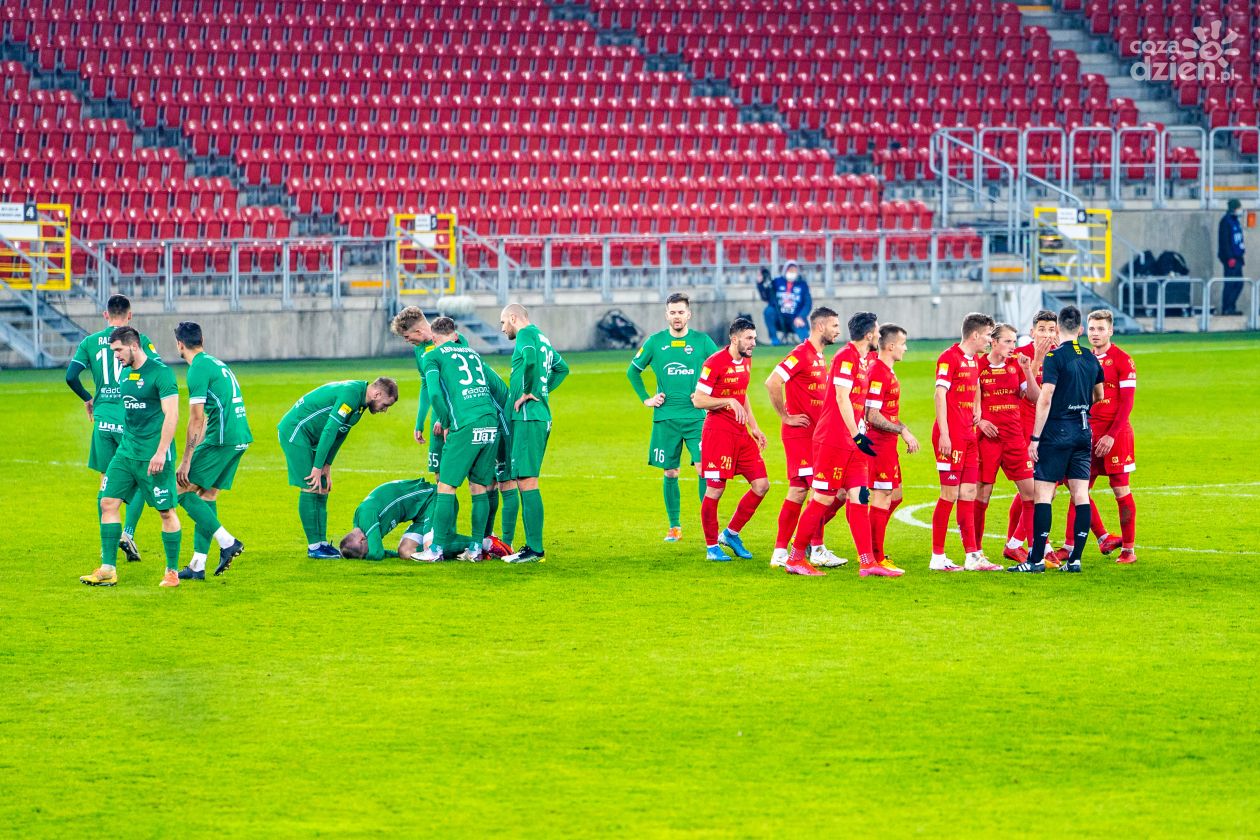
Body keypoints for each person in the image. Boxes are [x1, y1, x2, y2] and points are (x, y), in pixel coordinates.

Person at [787, 311, 894, 578]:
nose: (879, 336)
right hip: (834, 440)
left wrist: (859, 434)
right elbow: (842, 398)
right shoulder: (845, 357)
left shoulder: (861, 360)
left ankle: (868, 562)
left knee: (859, 496)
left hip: (852, 441)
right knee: (822, 497)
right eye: (877, 332)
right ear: (869, 334)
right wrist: (856, 434)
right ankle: (795, 557)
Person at [79, 327, 184, 587]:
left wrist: (161, 451)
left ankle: (172, 572)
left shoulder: (162, 374)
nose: (115, 355)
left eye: (118, 350)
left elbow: (172, 415)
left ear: (133, 346)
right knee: (108, 503)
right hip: (126, 453)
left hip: (154, 456)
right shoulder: (126, 374)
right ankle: (108, 568)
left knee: (166, 512)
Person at [1008, 305, 1105, 573]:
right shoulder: (1090, 357)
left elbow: (1045, 397)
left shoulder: (1055, 358)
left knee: (1043, 495)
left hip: (1056, 432)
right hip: (1084, 431)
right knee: (1080, 494)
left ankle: (1036, 559)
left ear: (1059, 328)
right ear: (1081, 330)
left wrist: (1036, 438)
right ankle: (1075, 561)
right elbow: (1099, 395)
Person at [65, 294, 158, 564]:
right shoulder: (138, 340)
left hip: (103, 418)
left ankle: (106, 543)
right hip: (130, 416)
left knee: (106, 479)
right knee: (141, 475)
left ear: (106, 315)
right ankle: (127, 533)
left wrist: (88, 398)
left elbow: (71, 376)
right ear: (130, 316)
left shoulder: (89, 342)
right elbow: (154, 369)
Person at [626, 292, 719, 541]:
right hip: (666, 418)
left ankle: (708, 525)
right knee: (670, 472)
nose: (677, 316)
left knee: (703, 469)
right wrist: (647, 398)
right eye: (672, 312)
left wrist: (707, 395)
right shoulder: (655, 342)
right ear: (666, 315)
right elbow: (632, 372)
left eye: (681, 312)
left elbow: (721, 368)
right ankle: (675, 526)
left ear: (689, 314)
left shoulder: (702, 341)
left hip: (697, 417)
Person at [417, 317, 509, 563]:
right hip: (490, 421)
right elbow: (497, 386)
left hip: (465, 423)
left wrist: (446, 421)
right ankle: (477, 548)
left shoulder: (432, 357)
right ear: (455, 334)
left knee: (446, 486)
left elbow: (434, 393)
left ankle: (435, 549)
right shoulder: (473, 354)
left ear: (434, 338)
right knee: (480, 486)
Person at [277, 377, 399, 558]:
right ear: (376, 394)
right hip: (296, 432)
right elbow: (330, 430)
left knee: (323, 486)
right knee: (310, 485)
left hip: (312, 437)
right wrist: (317, 467)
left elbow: (341, 433)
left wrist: (327, 465)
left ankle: (322, 543)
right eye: (385, 404)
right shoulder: (350, 394)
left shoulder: (360, 404)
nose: (385, 410)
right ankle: (314, 547)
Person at [764, 307, 848, 569]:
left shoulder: (820, 356)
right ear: (820, 327)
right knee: (823, 489)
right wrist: (785, 416)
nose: (838, 330)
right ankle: (817, 548)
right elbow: (772, 382)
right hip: (800, 434)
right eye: (834, 325)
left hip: (815, 435)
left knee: (799, 491)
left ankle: (781, 551)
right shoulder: (801, 354)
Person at [172, 322, 249, 580]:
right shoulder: (216, 363)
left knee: (179, 490)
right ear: (202, 339)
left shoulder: (197, 370)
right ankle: (197, 564)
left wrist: (186, 461)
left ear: (179, 345)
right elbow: (207, 416)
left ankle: (227, 542)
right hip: (239, 437)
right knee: (207, 495)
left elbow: (196, 419)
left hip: (222, 438)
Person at [930, 312, 1003, 571]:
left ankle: (972, 556)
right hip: (951, 435)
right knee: (949, 494)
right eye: (987, 335)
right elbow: (940, 395)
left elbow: (975, 386)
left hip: (969, 435)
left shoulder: (973, 361)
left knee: (969, 493)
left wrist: (978, 406)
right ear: (974, 335)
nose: (989, 340)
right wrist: (946, 434)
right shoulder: (949, 358)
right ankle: (937, 557)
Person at [692, 317, 769, 562]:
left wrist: (754, 427)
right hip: (718, 433)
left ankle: (731, 533)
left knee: (761, 485)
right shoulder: (714, 363)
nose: (753, 343)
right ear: (734, 339)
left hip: (740, 433)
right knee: (716, 489)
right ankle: (711, 546)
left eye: (754, 338)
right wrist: (727, 401)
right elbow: (699, 400)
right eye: (749, 338)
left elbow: (742, 395)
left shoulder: (746, 360)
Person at [500, 303, 570, 563]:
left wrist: (530, 391)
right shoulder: (542, 337)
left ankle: (535, 549)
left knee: (527, 481)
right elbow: (563, 368)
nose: (503, 328)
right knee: (524, 479)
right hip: (537, 416)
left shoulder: (526, 336)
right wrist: (544, 391)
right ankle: (531, 547)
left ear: (514, 318)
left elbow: (529, 361)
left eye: (503, 322)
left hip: (529, 417)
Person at [974, 323, 1040, 566]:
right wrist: (979, 422)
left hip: (1014, 439)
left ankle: (1033, 551)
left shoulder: (1016, 365)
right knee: (982, 494)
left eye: (1014, 341)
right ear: (994, 342)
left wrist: (1028, 370)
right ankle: (976, 552)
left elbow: (1034, 397)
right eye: (1008, 341)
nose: (1013, 346)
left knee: (1031, 494)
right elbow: (968, 400)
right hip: (987, 441)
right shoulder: (978, 366)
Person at [1075, 309, 1138, 565]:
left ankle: (1129, 550)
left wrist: (1111, 435)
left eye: (1101, 329)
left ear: (1111, 331)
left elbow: (1127, 403)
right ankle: (1098, 538)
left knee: (1120, 490)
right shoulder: (1082, 359)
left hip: (1116, 434)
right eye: (1092, 329)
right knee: (1077, 488)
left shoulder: (1123, 360)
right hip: (1086, 432)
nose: (1096, 334)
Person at [863, 323, 919, 572]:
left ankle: (870, 546)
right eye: (903, 344)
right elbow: (872, 414)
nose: (906, 349)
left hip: (888, 443)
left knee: (895, 496)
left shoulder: (887, 370)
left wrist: (901, 430)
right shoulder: (878, 372)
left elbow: (886, 412)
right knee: (882, 496)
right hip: (877, 444)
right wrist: (902, 430)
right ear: (891, 345)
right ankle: (874, 556)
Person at [1005, 310, 1057, 560]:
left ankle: (1016, 542)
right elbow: (1026, 393)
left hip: (1051, 429)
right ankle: (1035, 545)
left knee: (1040, 490)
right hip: (1025, 429)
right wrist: (1037, 359)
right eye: (1042, 329)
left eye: (1051, 330)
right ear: (1033, 331)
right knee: (1038, 491)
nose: (1047, 335)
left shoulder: (1060, 355)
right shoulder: (1019, 355)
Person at [762, 260, 812, 346]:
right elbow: (766, 296)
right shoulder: (777, 282)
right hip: (779, 318)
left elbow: (808, 303)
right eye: (790, 270)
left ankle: (807, 346)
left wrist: (801, 316)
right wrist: (760, 284)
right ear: (785, 271)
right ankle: (774, 340)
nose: (792, 273)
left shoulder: (803, 285)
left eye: (794, 271)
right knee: (768, 311)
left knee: (807, 343)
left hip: (795, 318)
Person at [1217, 198, 1246, 316]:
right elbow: (1224, 241)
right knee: (1230, 283)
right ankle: (1226, 308)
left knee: (1239, 283)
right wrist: (1229, 257)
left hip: (1238, 257)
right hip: (1231, 258)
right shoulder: (1226, 221)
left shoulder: (1235, 221)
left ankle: (1231, 306)